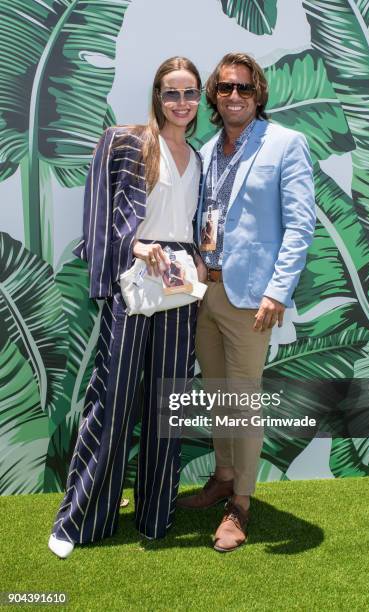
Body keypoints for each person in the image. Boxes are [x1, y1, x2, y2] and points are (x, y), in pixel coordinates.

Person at [48, 56, 206, 558]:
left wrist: (200, 260)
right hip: (135, 280)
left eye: (189, 93)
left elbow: (192, 223)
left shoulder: (199, 157)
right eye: (171, 93)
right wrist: (131, 247)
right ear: (157, 96)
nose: (181, 103)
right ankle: (81, 520)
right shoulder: (125, 141)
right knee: (113, 398)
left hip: (180, 288)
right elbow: (97, 212)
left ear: (199, 99)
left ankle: (156, 514)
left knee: (168, 402)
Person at [177, 53, 315, 552]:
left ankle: (241, 503)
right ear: (214, 95)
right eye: (226, 88)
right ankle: (223, 477)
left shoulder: (286, 145)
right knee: (218, 395)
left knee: (243, 400)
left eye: (245, 89)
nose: (235, 97)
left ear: (258, 95)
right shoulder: (206, 150)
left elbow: (301, 225)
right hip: (204, 292)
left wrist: (277, 290)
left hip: (252, 298)